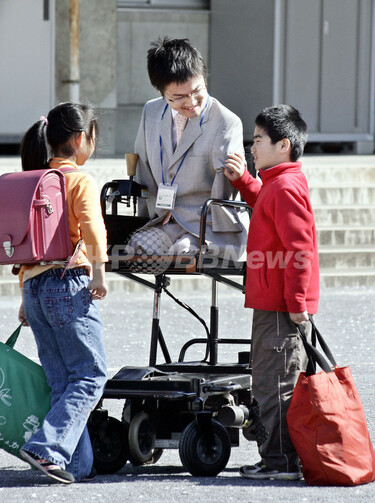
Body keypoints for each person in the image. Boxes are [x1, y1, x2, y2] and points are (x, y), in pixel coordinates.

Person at [224, 105, 319, 480]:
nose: (252, 146)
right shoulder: (278, 183)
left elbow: (300, 250)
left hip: (282, 308)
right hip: (275, 303)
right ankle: (277, 459)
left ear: (284, 145)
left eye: (258, 140)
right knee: (271, 379)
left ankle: (281, 463)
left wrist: (296, 304)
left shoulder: (285, 187)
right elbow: (265, 204)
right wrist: (245, 181)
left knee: (276, 383)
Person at [17, 102, 108, 484]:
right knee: (90, 375)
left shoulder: (34, 180)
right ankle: (47, 447)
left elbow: (23, 243)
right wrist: (99, 274)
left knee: (62, 380)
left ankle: (73, 463)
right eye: (92, 137)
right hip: (67, 283)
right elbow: (91, 226)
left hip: (34, 287)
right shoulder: (79, 180)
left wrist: (24, 295)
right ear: (78, 139)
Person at [128, 36, 248, 260]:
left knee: (181, 253)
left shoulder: (225, 122)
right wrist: (144, 220)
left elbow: (224, 189)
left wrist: (214, 235)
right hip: (163, 219)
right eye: (179, 97)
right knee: (135, 248)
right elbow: (143, 166)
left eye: (197, 91)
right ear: (162, 93)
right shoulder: (151, 112)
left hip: (205, 225)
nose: (191, 101)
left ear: (204, 78)